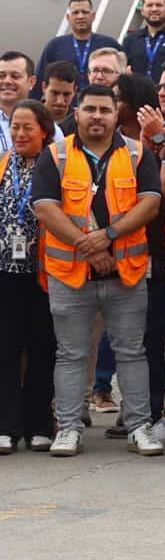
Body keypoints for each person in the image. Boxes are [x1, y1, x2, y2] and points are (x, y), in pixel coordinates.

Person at [30, 85, 164, 458]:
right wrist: (86, 246)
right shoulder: (54, 155)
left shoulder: (137, 153)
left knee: (132, 352)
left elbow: (150, 202)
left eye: (105, 109)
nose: (97, 116)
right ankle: (69, 428)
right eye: (90, 109)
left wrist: (108, 236)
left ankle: (139, 426)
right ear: (77, 111)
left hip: (126, 274)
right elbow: (44, 207)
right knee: (71, 354)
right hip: (70, 274)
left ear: (116, 112)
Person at [0, 102, 58, 453]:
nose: (20, 135)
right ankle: (6, 425)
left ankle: (39, 423)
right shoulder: (3, 163)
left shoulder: (55, 165)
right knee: (4, 349)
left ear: (44, 132)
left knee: (42, 347)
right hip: (5, 271)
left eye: (28, 128)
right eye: (16, 128)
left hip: (45, 272)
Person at [37, 0, 104, 91]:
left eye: (85, 12)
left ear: (93, 16)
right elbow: (40, 78)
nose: (80, 16)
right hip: (63, 103)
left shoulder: (108, 44)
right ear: (68, 17)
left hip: (98, 102)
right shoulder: (55, 45)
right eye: (75, 12)